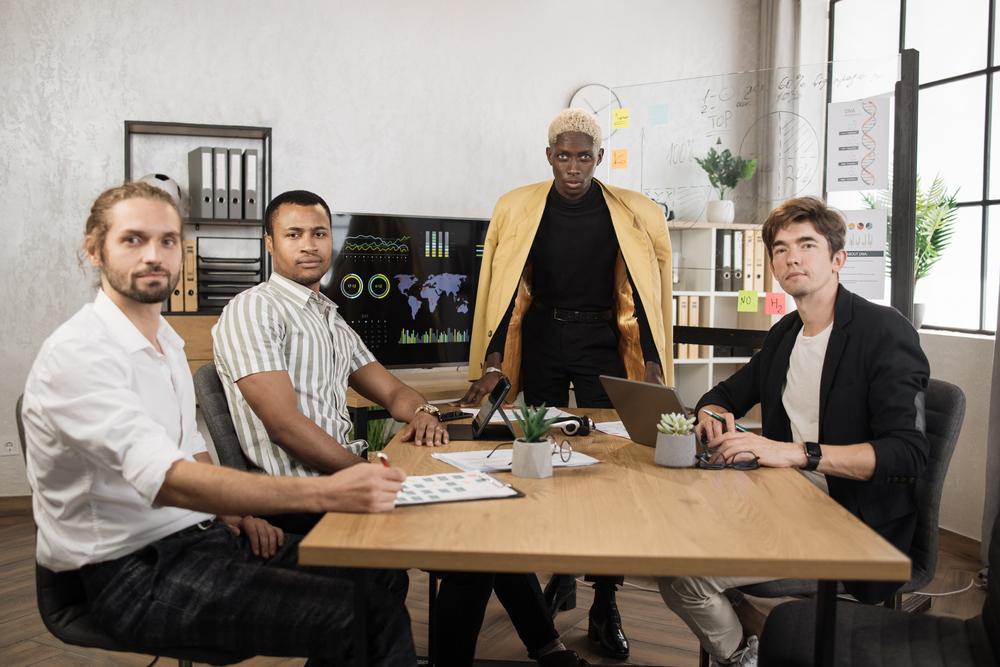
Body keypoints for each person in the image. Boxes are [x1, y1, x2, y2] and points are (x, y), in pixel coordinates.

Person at [22, 182, 416, 666]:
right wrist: (331, 492)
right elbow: (168, 479)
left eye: (167, 241)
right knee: (364, 617)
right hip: (126, 571)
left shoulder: (164, 341)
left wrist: (238, 514)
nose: (154, 255)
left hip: (200, 537)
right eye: (133, 239)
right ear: (93, 251)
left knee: (378, 577)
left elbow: (190, 447)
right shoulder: (80, 352)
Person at [213, 189, 585, 666]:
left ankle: (548, 648)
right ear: (269, 243)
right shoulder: (254, 310)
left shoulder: (328, 316)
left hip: (347, 478)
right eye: (294, 234)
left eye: (319, 233)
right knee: (473, 555)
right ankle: (541, 650)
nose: (309, 245)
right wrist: (365, 472)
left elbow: (393, 392)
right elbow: (284, 425)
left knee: (488, 518)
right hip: (303, 497)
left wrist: (422, 414)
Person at [658, 197, 930, 667]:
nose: (792, 258)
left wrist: (795, 453)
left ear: (837, 258)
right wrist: (712, 411)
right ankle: (756, 639)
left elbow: (906, 454)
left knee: (686, 573)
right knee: (670, 542)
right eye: (780, 249)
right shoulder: (786, 332)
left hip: (855, 524)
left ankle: (748, 656)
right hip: (784, 501)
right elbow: (725, 392)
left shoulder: (883, 332)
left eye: (807, 245)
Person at [461, 108, 676, 659]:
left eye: (584, 156)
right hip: (541, 344)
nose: (573, 166)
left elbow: (651, 293)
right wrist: (491, 358)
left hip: (606, 342)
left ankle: (605, 601)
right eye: (563, 155)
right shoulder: (517, 206)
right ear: (549, 156)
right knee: (543, 457)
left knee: (613, 466)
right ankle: (559, 571)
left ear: (599, 159)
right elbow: (502, 287)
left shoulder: (635, 212)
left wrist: (652, 363)